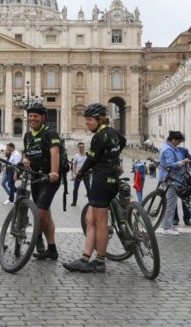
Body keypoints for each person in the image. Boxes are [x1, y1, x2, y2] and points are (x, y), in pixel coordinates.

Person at [63, 103, 126, 273]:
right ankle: (85, 259)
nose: (87, 123)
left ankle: (99, 261)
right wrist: (114, 160)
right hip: (110, 178)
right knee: (90, 220)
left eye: (89, 120)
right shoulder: (113, 132)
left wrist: (80, 174)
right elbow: (123, 142)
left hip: (101, 181)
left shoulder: (99, 137)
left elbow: (90, 160)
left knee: (101, 223)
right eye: (86, 120)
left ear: (99, 119)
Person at [23, 102, 62, 260]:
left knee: (41, 211)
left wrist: (54, 172)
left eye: (35, 116)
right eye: (30, 116)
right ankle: (52, 249)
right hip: (35, 177)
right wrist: (26, 160)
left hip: (49, 178)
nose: (32, 119)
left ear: (42, 118)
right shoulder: (27, 135)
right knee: (46, 214)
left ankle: (37, 237)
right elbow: (27, 153)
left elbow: (55, 152)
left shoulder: (50, 132)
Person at [158, 131, 190, 235]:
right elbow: (170, 164)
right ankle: (167, 227)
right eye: (178, 141)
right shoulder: (168, 149)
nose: (179, 144)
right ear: (173, 140)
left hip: (173, 178)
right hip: (171, 179)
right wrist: (183, 162)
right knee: (170, 203)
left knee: (170, 202)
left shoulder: (170, 147)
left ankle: (169, 224)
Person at [173, 145, 191, 227]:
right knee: (173, 200)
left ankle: (187, 219)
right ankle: (175, 219)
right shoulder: (167, 150)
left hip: (183, 178)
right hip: (173, 178)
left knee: (185, 199)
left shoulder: (183, 150)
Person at [70, 142, 90, 206]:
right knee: (75, 188)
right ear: (78, 148)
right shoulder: (76, 156)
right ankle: (74, 202)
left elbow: (90, 163)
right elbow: (74, 165)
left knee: (88, 188)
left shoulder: (87, 155)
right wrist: (74, 173)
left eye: (83, 147)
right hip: (78, 174)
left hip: (86, 173)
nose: (82, 148)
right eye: (80, 147)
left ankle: (91, 202)